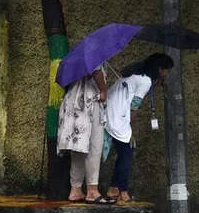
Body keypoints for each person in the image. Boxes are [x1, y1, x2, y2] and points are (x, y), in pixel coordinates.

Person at [104, 53, 173, 205]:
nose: (167, 74)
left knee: (124, 153)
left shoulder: (136, 73)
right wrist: (129, 127)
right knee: (127, 154)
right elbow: (134, 106)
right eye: (167, 70)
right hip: (118, 116)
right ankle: (122, 191)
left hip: (109, 111)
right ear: (160, 69)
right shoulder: (145, 81)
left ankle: (114, 189)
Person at [57, 67, 109, 203]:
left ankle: (75, 190)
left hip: (72, 102)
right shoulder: (94, 54)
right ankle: (92, 191)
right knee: (94, 146)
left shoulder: (77, 60)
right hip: (88, 102)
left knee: (78, 148)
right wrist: (103, 90)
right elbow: (96, 70)